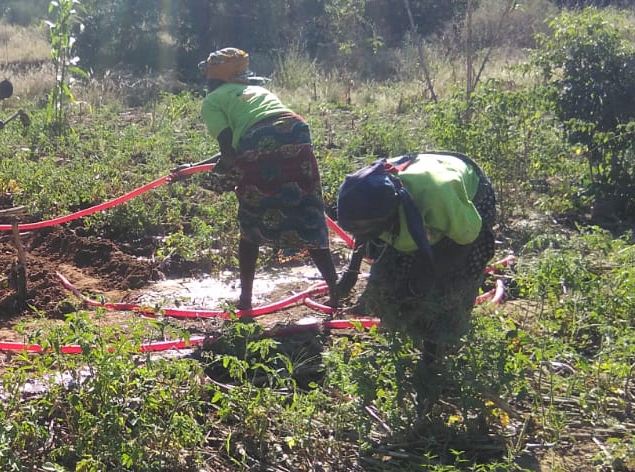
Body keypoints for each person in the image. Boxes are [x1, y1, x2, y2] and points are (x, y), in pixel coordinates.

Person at [173, 47, 342, 317]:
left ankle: (246, 301)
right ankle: (336, 291)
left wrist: (213, 180)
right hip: (296, 132)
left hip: (261, 140)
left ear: (211, 78)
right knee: (309, 211)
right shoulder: (257, 92)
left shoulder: (212, 101)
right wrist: (193, 168)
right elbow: (251, 140)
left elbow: (231, 152)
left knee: (251, 220)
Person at [334, 151, 497, 364]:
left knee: (444, 292)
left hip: (463, 205)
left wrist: (429, 278)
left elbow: (465, 240)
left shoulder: (438, 197)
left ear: (389, 215)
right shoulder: (367, 192)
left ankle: (433, 356)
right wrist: (351, 273)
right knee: (390, 280)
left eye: (365, 230)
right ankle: (407, 328)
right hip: (419, 186)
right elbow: (362, 230)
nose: (360, 237)